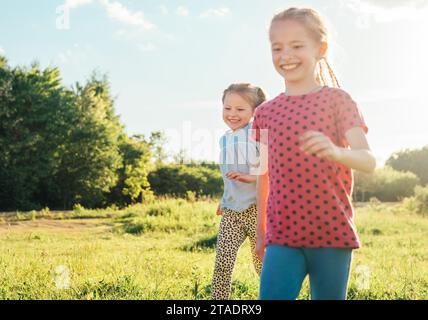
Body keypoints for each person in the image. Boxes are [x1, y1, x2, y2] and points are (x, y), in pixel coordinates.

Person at [253, 7, 376, 300]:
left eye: (297, 45)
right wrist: (261, 233)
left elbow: (368, 160)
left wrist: (335, 152)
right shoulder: (264, 113)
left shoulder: (338, 101)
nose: (286, 55)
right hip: (282, 236)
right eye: (277, 47)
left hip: (332, 233)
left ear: (320, 49)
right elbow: (263, 176)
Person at [211, 83, 266, 300]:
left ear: (255, 111)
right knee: (222, 263)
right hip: (232, 212)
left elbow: (268, 172)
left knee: (262, 265)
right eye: (227, 108)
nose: (232, 114)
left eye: (240, 109)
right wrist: (224, 199)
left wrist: (249, 178)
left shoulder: (257, 135)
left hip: (256, 210)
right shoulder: (224, 139)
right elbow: (228, 176)